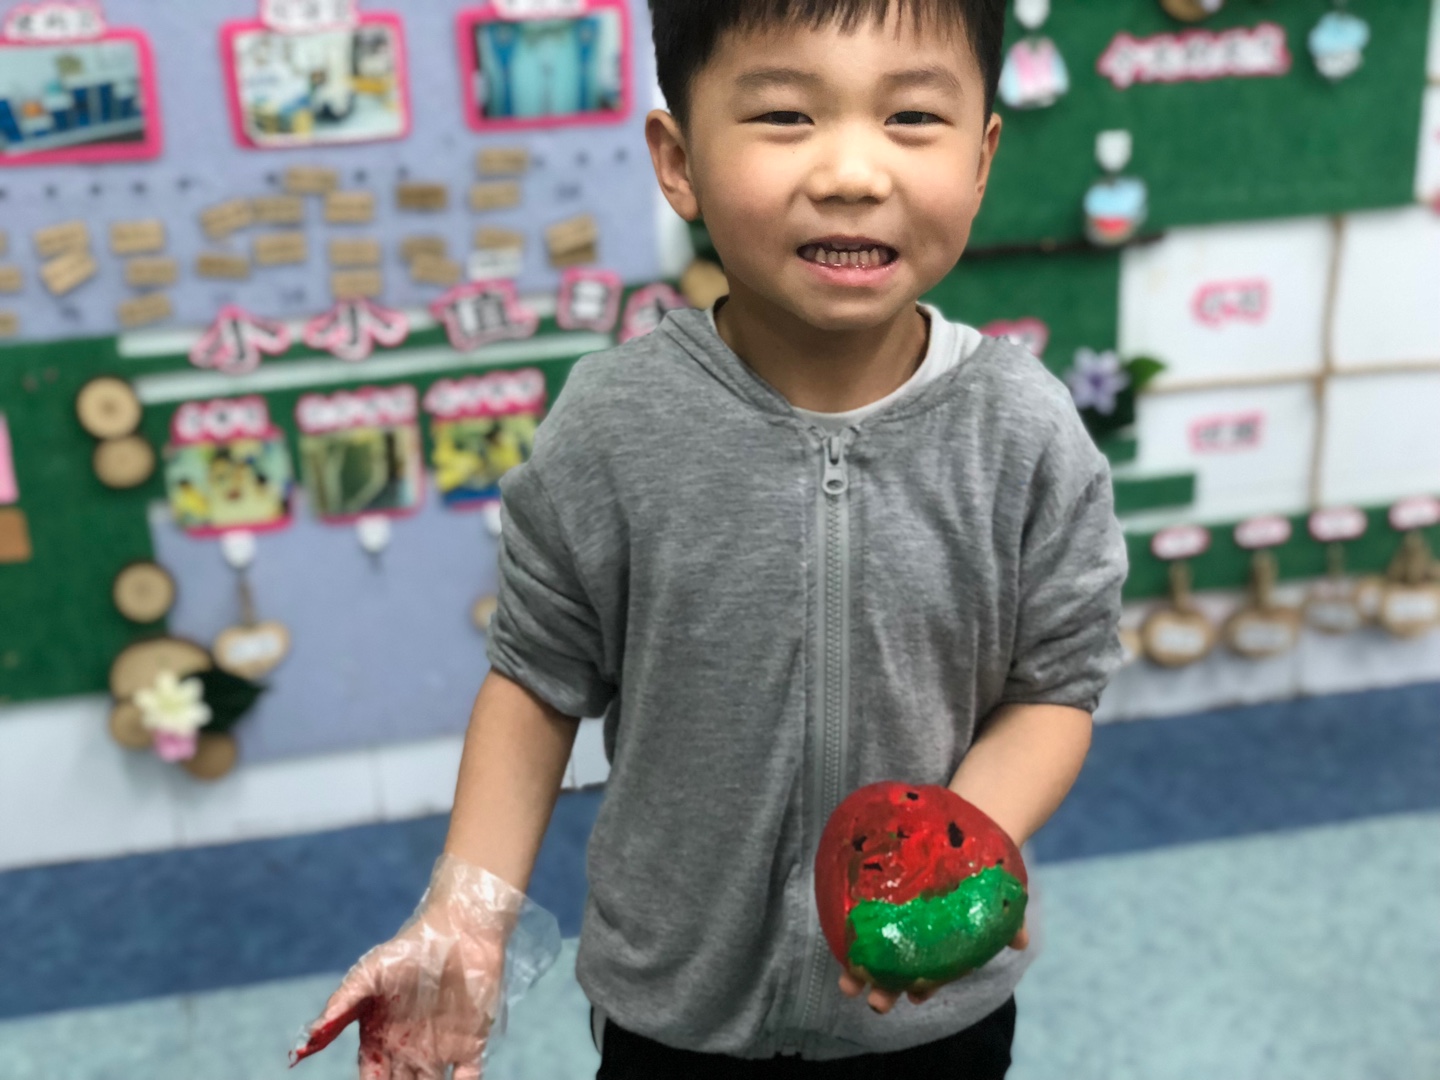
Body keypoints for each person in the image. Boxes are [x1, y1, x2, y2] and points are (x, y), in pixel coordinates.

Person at [293, 1, 1128, 1077]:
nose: (852, 172)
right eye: (785, 115)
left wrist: (949, 856)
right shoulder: (614, 425)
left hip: (929, 1016)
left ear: (980, 159)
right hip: (671, 1015)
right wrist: (466, 916)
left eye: (913, 118)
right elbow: (537, 681)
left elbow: (1053, 688)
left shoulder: (1026, 430)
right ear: (678, 161)